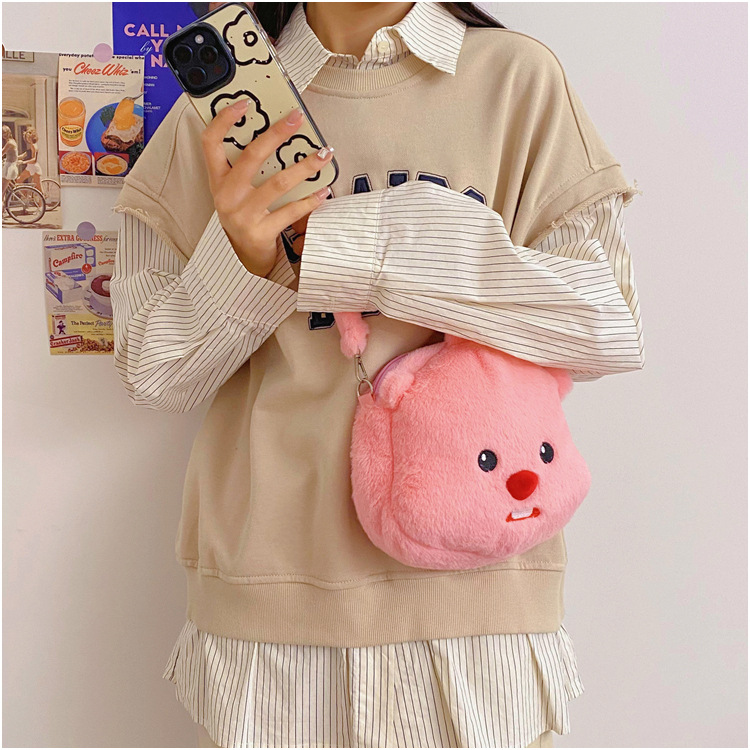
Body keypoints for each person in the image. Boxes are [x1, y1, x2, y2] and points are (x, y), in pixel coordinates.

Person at [111, 2, 645, 748]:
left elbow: (606, 324)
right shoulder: (218, 114)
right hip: (274, 621)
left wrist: (345, 246)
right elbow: (152, 371)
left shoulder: (515, 80)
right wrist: (242, 262)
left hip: (477, 617)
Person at [15, 127, 42, 191]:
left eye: (29, 137)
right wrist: (14, 158)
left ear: (32, 137)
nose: (28, 139)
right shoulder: (31, 145)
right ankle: (25, 196)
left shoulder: (33, 146)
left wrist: (23, 162)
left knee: (39, 189)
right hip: (30, 167)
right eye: (27, 137)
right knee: (18, 181)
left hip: (34, 167)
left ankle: (42, 198)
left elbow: (34, 160)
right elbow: (24, 155)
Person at [2, 125, 20, 199]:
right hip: (8, 165)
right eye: (2, 133)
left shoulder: (9, 143)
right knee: (2, 190)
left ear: (9, 132)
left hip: (10, 167)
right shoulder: (11, 141)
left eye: (4, 132)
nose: (3, 135)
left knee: (2, 190)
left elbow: (2, 152)